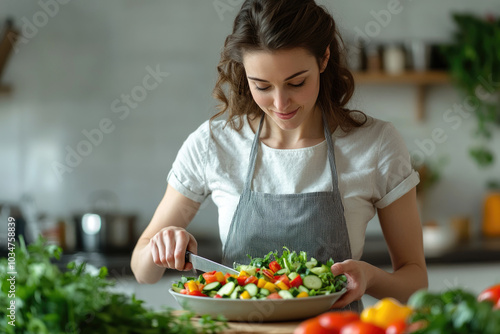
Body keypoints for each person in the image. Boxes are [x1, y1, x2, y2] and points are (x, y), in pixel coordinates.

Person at [131, 0, 427, 312]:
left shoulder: (376, 144)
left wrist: (370, 276)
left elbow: (415, 283)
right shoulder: (213, 143)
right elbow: (142, 270)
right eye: (262, 86)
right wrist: (162, 246)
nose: (280, 103)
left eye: (296, 83)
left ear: (324, 58)